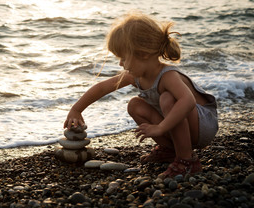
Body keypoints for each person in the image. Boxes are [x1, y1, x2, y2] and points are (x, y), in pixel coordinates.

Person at [63, 11, 218, 178]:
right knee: (135, 105)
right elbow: (102, 88)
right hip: (178, 125)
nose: (121, 63)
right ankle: (170, 150)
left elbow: (187, 101)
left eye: (123, 57)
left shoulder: (168, 75)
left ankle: (187, 160)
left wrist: (160, 127)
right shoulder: (135, 76)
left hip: (203, 125)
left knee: (167, 99)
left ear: (143, 54)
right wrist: (76, 110)